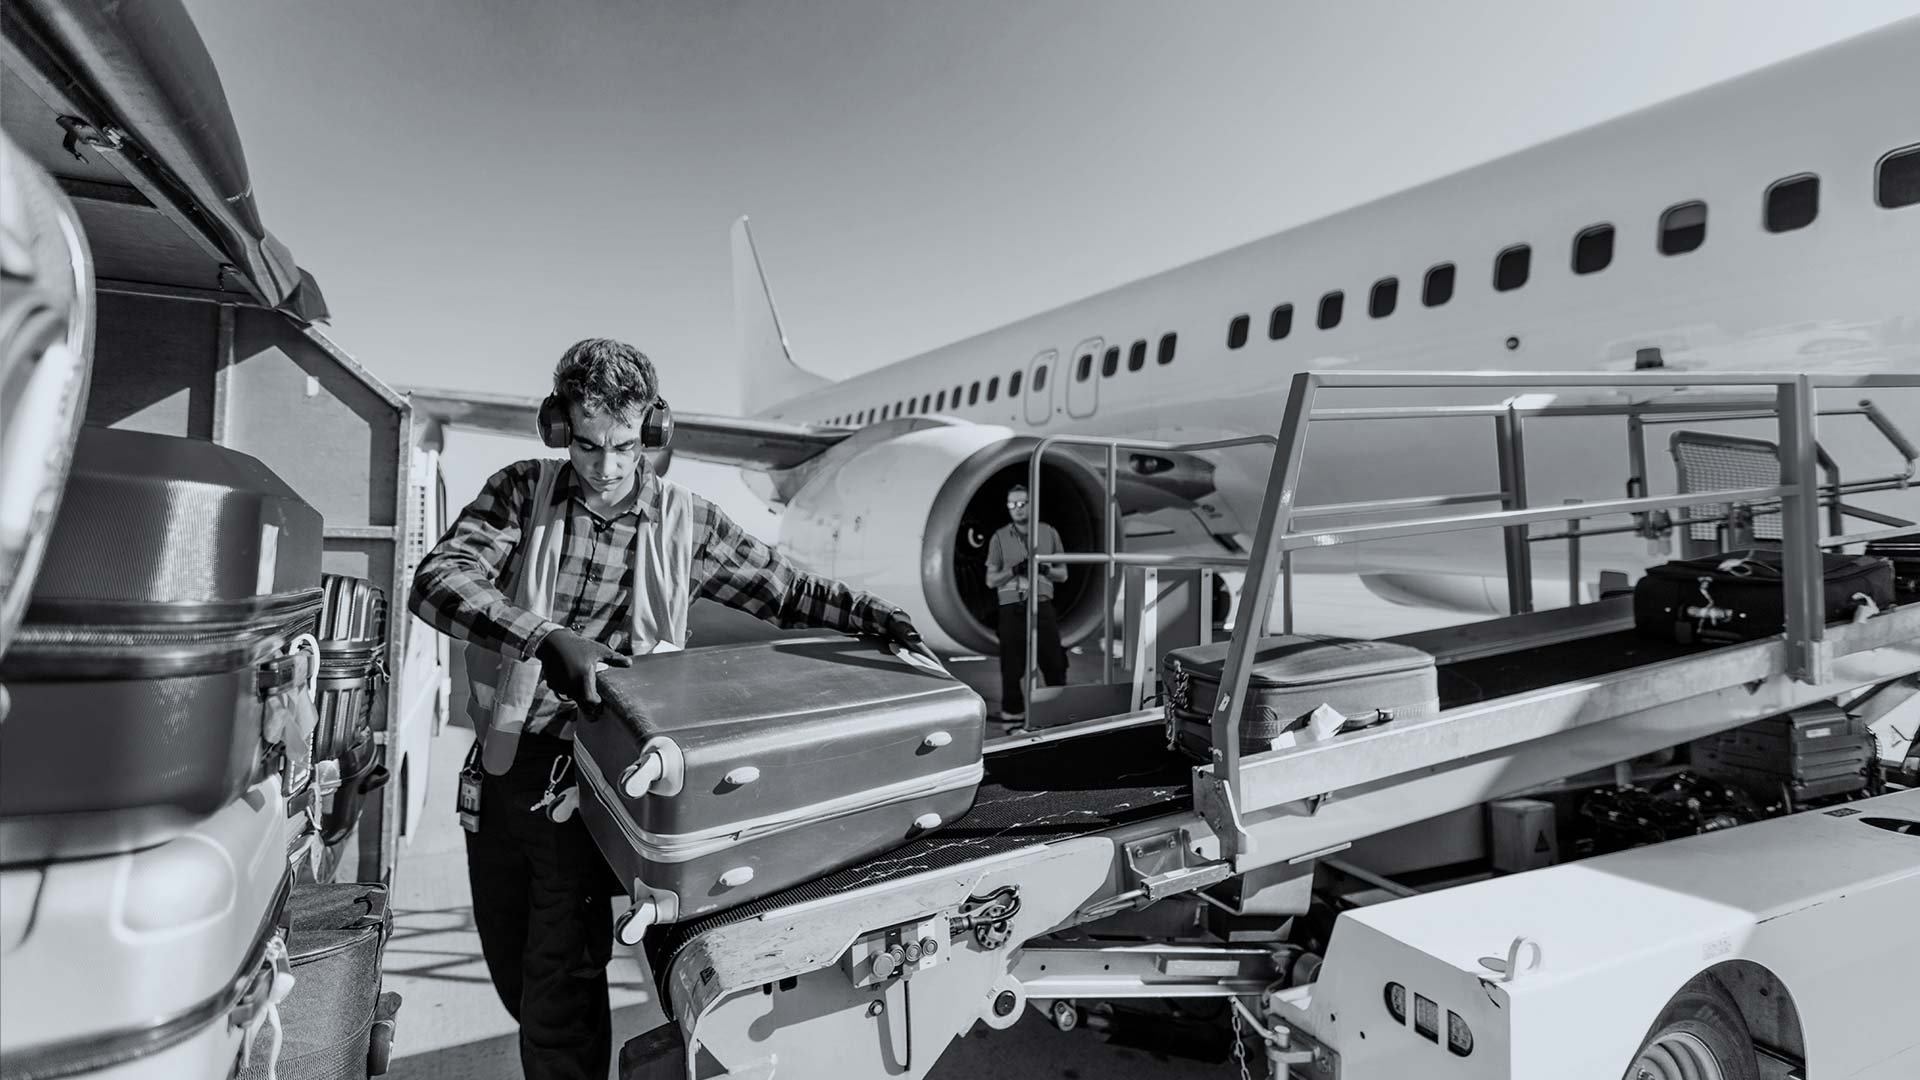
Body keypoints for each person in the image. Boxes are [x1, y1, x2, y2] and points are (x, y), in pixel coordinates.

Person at [409, 338, 924, 1080]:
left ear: (653, 430)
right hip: (519, 764)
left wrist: (873, 615)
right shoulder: (523, 492)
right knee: (516, 961)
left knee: (563, 972)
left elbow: (786, 589)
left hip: (621, 772)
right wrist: (546, 637)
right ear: (560, 430)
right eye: (587, 446)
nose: (607, 467)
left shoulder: (690, 522)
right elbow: (440, 579)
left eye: (623, 446)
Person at [983, 483, 1068, 723]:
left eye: (1022, 504)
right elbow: (991, 580)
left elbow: (1063, 575)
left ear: (1032, 505)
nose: (1017, 509)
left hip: (1042, 605)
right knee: (1011, 666)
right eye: (1012, 505)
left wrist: (1046, 570)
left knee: (1054, 661)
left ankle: (1058, 710)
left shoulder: (1049, 533)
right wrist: (1012, 571)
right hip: (1012, 607)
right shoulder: (999, 537)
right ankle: (1012, 712)